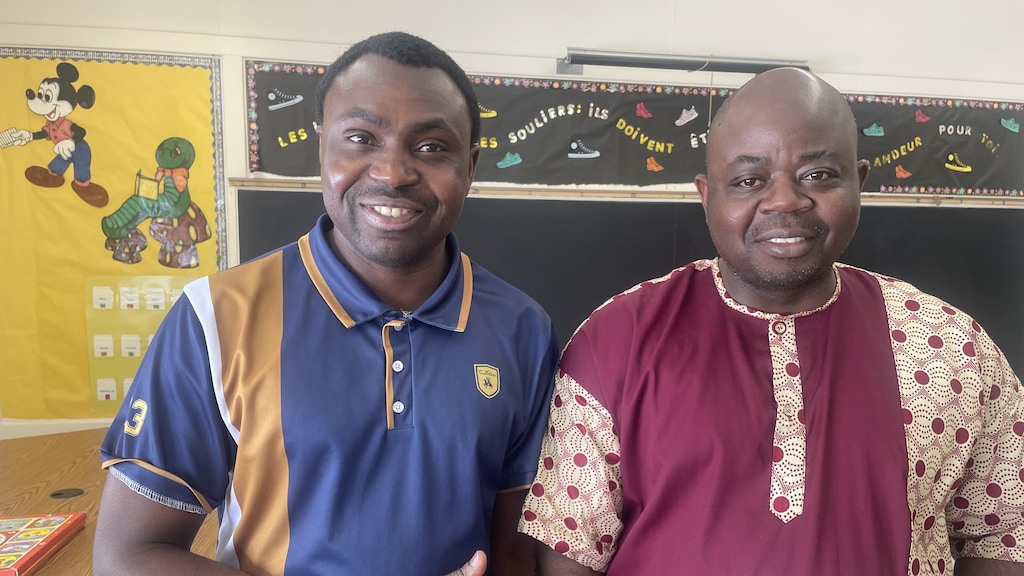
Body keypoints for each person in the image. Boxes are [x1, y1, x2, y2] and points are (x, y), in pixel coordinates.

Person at [518, 67, 1024, 575]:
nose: (785, 200)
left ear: (859, 182)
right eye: (748, 180)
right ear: (706, 195)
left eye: (818, 175)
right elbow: (569, 550)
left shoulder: (952, 346)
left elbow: (1002, 534)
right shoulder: (617, 341)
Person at [93, 31, 558, 576]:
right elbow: (129, 555)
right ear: (323, 149)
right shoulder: (214, 318)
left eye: (431, 147)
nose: (392, 172)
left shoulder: (524, 330)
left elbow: (517, 550)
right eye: (361, 138)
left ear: (471, 166)